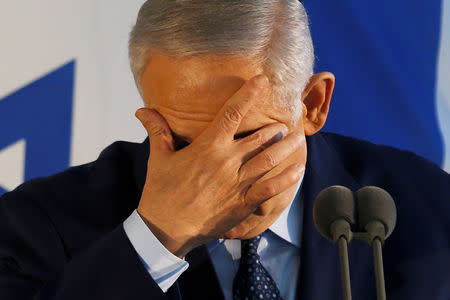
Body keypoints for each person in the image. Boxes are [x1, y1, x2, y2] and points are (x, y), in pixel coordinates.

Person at [0, 0, 449, 299]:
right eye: (184, 143)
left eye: (246, 139)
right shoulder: (44, 224)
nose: (218, 174)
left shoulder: (430, 211)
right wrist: (156, 238)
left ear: (313, 104)